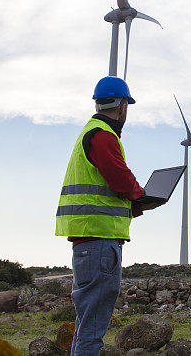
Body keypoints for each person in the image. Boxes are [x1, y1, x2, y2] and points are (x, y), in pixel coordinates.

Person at [55, 76, 147, 355]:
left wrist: (132, 206)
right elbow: (119, 177)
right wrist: (142, 195)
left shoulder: (90, 132)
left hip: (89, 242)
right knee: (92, 330)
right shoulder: (103, 135)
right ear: (122, 107)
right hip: (99, 244)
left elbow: (102, 189)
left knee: (87, 326)